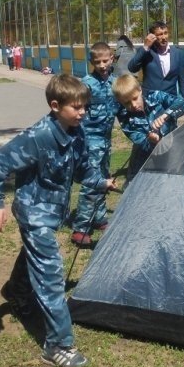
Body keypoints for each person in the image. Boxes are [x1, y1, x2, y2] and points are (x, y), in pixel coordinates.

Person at [0, 74, 117, 367]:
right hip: (34, 214)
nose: (83, 112)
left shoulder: (76, 131)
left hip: (52, 213)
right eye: (76, 107)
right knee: (51, 275)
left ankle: (15, 292)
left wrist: (101, 181)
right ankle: (58, 346)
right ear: (55, 106)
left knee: (34, 257)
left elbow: (82, 169)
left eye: (85, 107)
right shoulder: (37, 137)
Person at [70, 43, 120, 247]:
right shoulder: (86, 84)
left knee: (104, 179)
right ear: (91, 62)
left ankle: (99, 218)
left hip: (106, 140)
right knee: (91, 182)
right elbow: (76, 111)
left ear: (112, 59)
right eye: (97, 62)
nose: (102, 65)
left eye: (105, 61)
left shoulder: (115, 83)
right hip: (90, 140)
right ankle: (80, 228)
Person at [113, 73, 184, 184]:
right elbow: (140, 142)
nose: (133, 105)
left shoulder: (155, 96)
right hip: (148, 159)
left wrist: (166, 115)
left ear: (140, 90)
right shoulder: (125, 117)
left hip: (173, 149)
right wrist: (152, 141)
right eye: (127, 103)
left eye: (135, 98)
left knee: (177, 182)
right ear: (120, 102)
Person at [127, 21, 184, 117]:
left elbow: (183, 81)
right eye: (160, 34)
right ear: (152, 36)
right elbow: (132, 68)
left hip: (170, 104)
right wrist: (145, 47)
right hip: (150, 103)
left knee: (170, 127)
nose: (164, 37)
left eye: (165, 33)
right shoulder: (146, 52)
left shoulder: (178, 53)